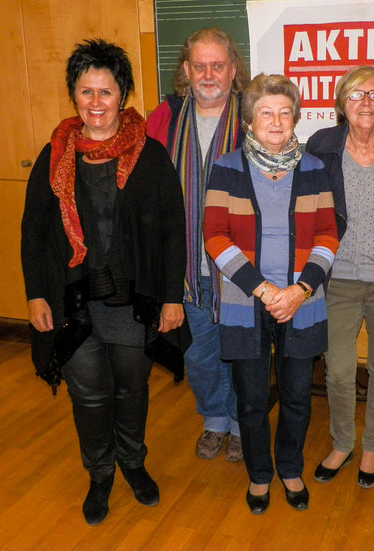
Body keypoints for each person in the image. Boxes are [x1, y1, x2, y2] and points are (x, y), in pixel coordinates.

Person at [21, 39, 188, 526]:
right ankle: (99, 474)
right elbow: (33, 231)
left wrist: (172, 298)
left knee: (131, 390)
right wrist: (35, 293)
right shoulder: (54, 156)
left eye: (106, 92)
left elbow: (173, 230)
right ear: (74, 95)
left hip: (132, 301)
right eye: (86, 92)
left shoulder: (151, 156)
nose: (96, 103)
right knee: (89, 394)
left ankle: (133, 464)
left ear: (123, 95)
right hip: (72, 301)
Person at [203, 73, 339, 514]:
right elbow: (215, 236)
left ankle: (291, 467)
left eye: (284, 112)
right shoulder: (226, 167)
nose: (276, 120)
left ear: (296, 117)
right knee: (253, 397)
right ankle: (260, 475)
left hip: (303, 300)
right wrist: (264, 290)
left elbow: (328, 235)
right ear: (249, 121)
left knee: (298, 394)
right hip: (247, 302)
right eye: (266, 112)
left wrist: (299, 290)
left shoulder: (314, 168)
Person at [306, 65, 374, 488]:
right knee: (336, 369)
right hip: (338, 277)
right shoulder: (322, 146)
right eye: (355, 95)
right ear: (341, 105)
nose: (366, 103)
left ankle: (373, 446)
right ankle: (342, 441)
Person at [147, 28, 248, 462]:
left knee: (245, 355)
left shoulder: (255, 115)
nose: (209, 74)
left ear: (233, 69)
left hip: (245, 268)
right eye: (200, 65)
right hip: (187, 266)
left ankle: (245, 423)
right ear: (186, 70)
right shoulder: (162, 119)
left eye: (218, 65)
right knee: (201, 356)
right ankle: (214, 420)